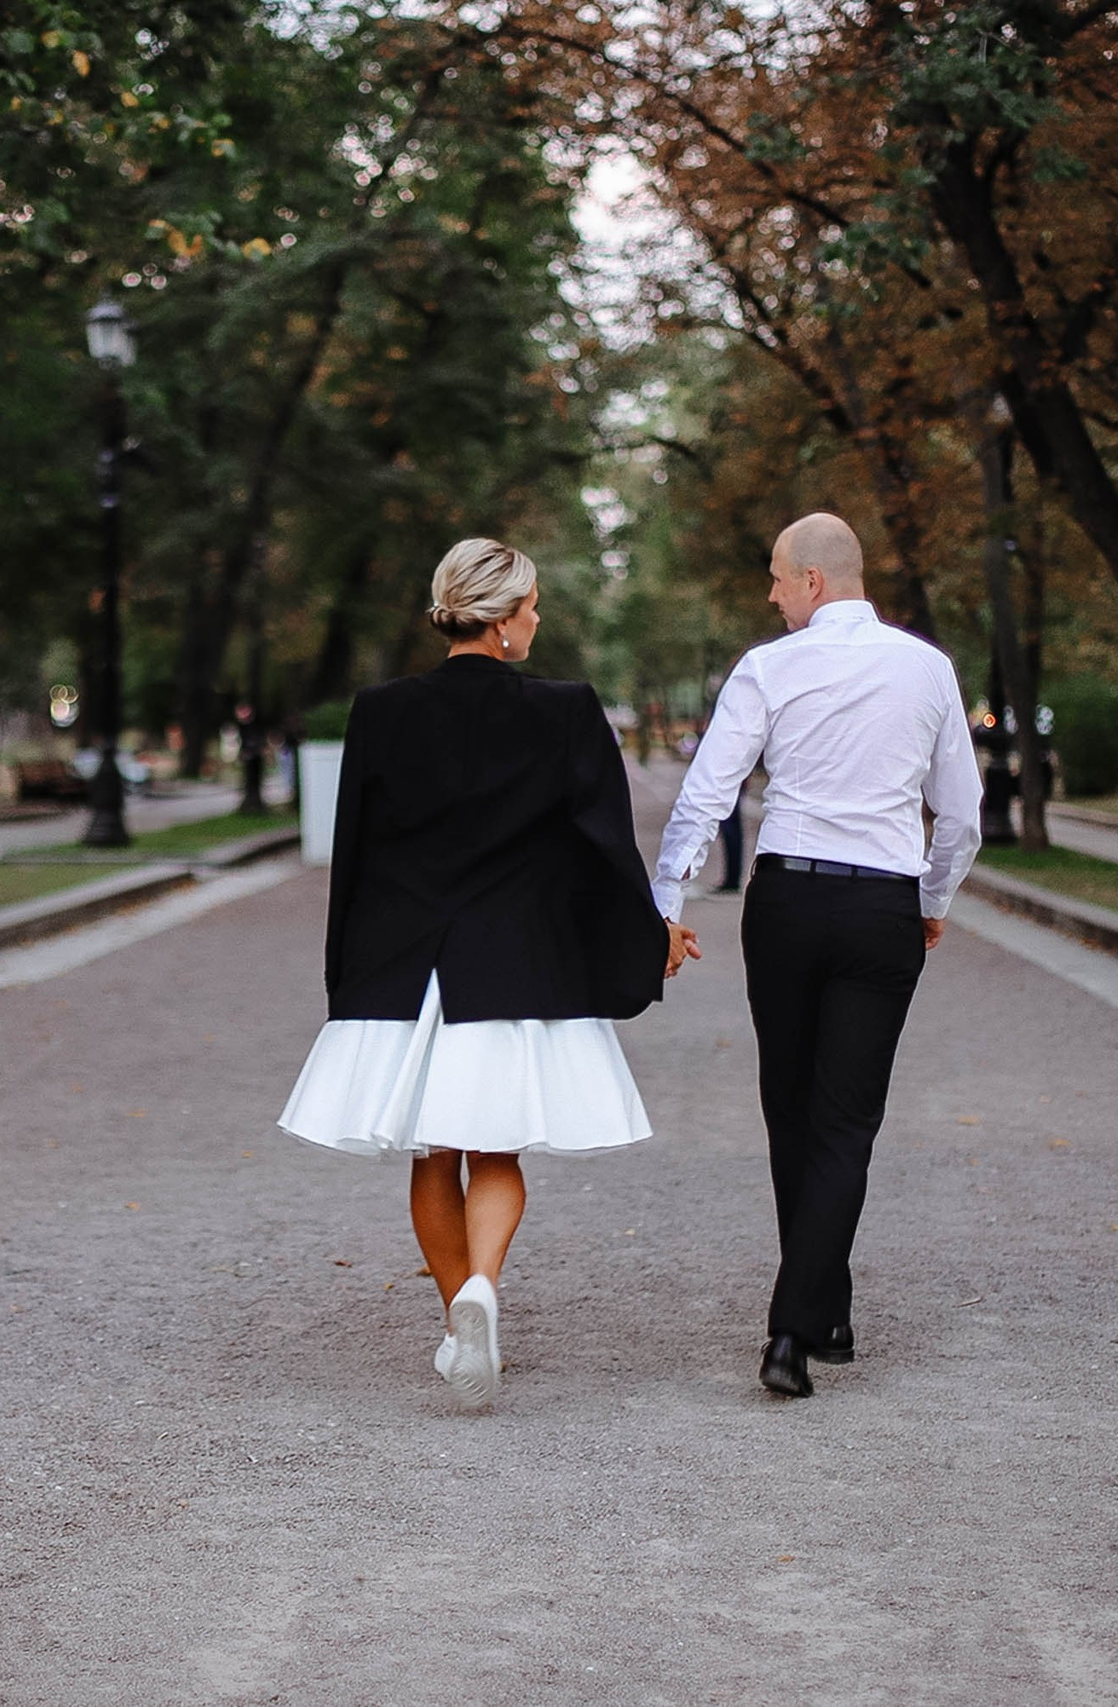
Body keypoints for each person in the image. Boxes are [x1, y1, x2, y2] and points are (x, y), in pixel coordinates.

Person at [280, 538, 673, 1409]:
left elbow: (357, 850)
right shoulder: (566, 711)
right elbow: (605, 849)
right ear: (500, 618)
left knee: (432, 1152)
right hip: (515, 962)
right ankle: (483, 1288)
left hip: (405, 962)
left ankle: (458, 1316)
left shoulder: (380, 712)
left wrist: (346, 974)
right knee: (496, 1145)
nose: (537, 619)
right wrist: (652, 937)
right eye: (531, 605)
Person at [653, 513, 983, 1399]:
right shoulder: (929, 669)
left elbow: (708, 791)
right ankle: (822, 1310)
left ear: (813, 582)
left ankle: (790, 1330)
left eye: (774, 578)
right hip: (883, 904)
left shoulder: (768, 668)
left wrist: (665, 900)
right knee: (846, 1121)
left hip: (790, 901)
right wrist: (932, 902)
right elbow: (961, 814)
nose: (769, 595)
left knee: (792, 1109)